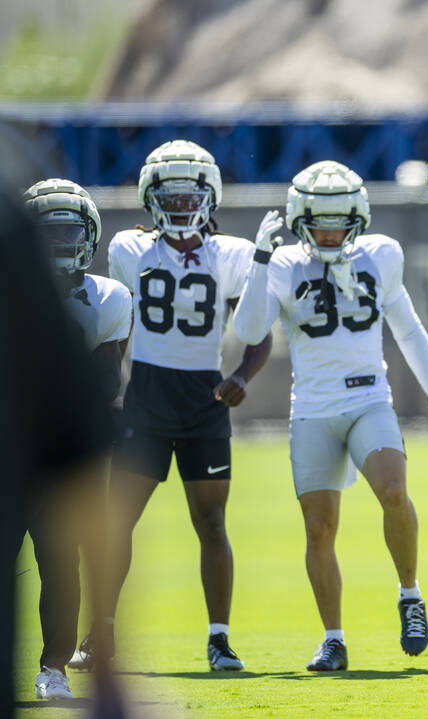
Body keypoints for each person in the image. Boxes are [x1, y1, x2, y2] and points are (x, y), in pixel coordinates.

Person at [233, 160, 428, 671]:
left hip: (367, 399)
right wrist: (260, 261)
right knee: (318, 528)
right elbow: (249, 331)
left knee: (394, 492)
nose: (331, 231)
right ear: (299, 219)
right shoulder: (284, 263)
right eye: (320, 221)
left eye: (339, 220)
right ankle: (333, 638)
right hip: (312, 407)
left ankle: (409, 595)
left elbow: (409, 327)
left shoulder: (381, 255)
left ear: (359, 216)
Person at [71, 140, 272, 673]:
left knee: (211, 522)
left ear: (211, 196)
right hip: (148, 397)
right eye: (171, 196)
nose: (182, 206)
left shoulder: (231, 253)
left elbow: (257, 333)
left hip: (204, 398)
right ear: (149, 196)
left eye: (191, 196)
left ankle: (220, 639)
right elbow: (118, 328)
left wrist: (242, 377)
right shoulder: (129, 248)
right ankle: (102, 633)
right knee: (117, 521)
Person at [0, 178, 123, 716]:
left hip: (55, 442)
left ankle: (53, 667)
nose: (59, 242)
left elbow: (100, 385)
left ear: (90, 235)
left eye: (70, 230)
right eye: (49, 232)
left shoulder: (110, 298)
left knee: (61, 560)